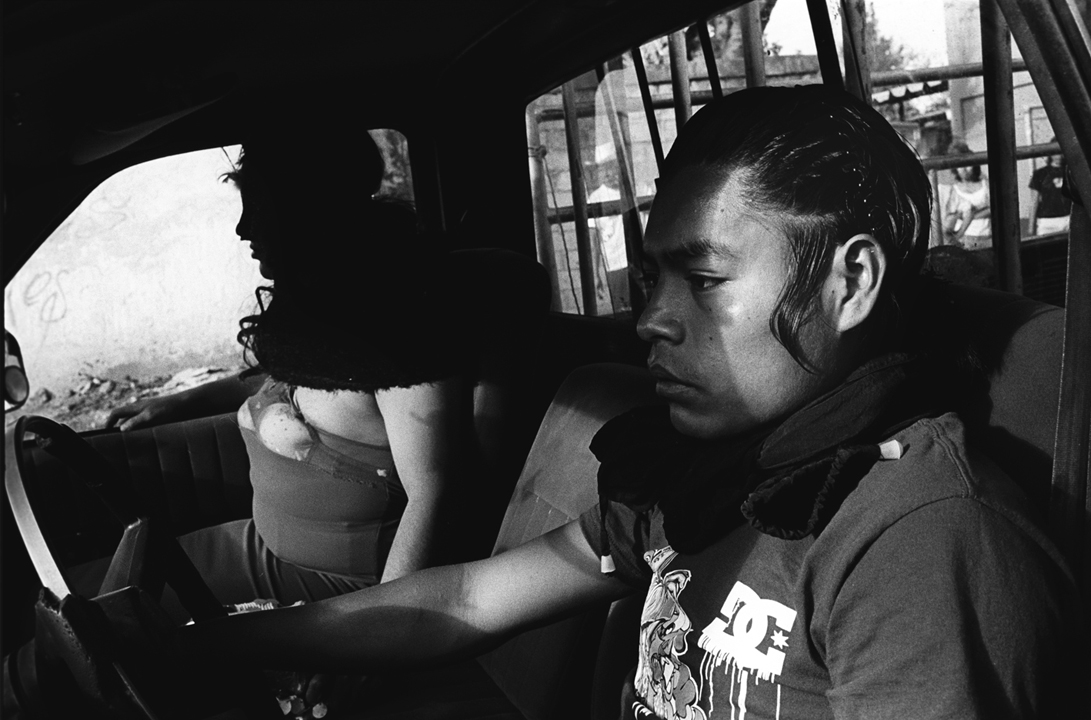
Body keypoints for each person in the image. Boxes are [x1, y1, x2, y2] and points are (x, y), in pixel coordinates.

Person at [181, 86, 1081, 718]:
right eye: (654, 278)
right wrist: (224, 643)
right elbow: (463, 602)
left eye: (705, 279)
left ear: (849, 284)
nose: (651, 318)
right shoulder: (697, 474)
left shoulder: (920, 539)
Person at [91, 124, 472, 612]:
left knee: (100, 624)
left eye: (257, 208)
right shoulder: (315, 308)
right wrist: (178, 402)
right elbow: (281, 377)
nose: (243, 228)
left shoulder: (398, 332)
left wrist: (383, 627)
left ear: (307, 210)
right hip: (258, 546)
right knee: (86, 595)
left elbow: (434, 493)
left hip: (336, 589)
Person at [943, 143, 991, 250]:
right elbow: (951, 216)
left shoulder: (985, 184)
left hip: (986, 236)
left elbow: (994, 208)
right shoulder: (954, 190)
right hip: (963, 239)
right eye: (960, 166)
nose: (964, 169)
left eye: (968, 165)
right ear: (955, 169)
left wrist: (972, 215)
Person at [1028, 142, 1070, 237]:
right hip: (1047, 222)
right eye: (1055, 152)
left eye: (1061, 152)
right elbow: (1034, 201)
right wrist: (1030, 228)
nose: (1058, 156)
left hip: (1068, 219)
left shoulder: (1071, 172)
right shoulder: (1040, 173)